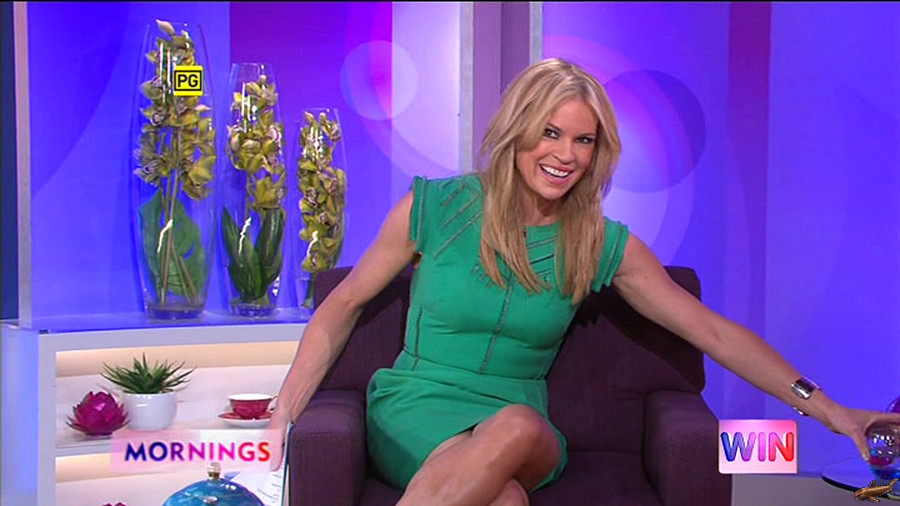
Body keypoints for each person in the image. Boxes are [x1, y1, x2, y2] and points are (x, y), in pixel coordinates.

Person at [267, 57, 900, 505]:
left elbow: (713, 334)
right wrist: (280, 416)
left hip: (522, 424)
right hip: (415, 406)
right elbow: (343, 305)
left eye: (583, 140)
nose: (565, 154)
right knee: (505, 501)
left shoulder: (599, 244)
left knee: (517, 425)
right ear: (517, 130)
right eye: (550, 132)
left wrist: (832, 412)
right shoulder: (435, 207)